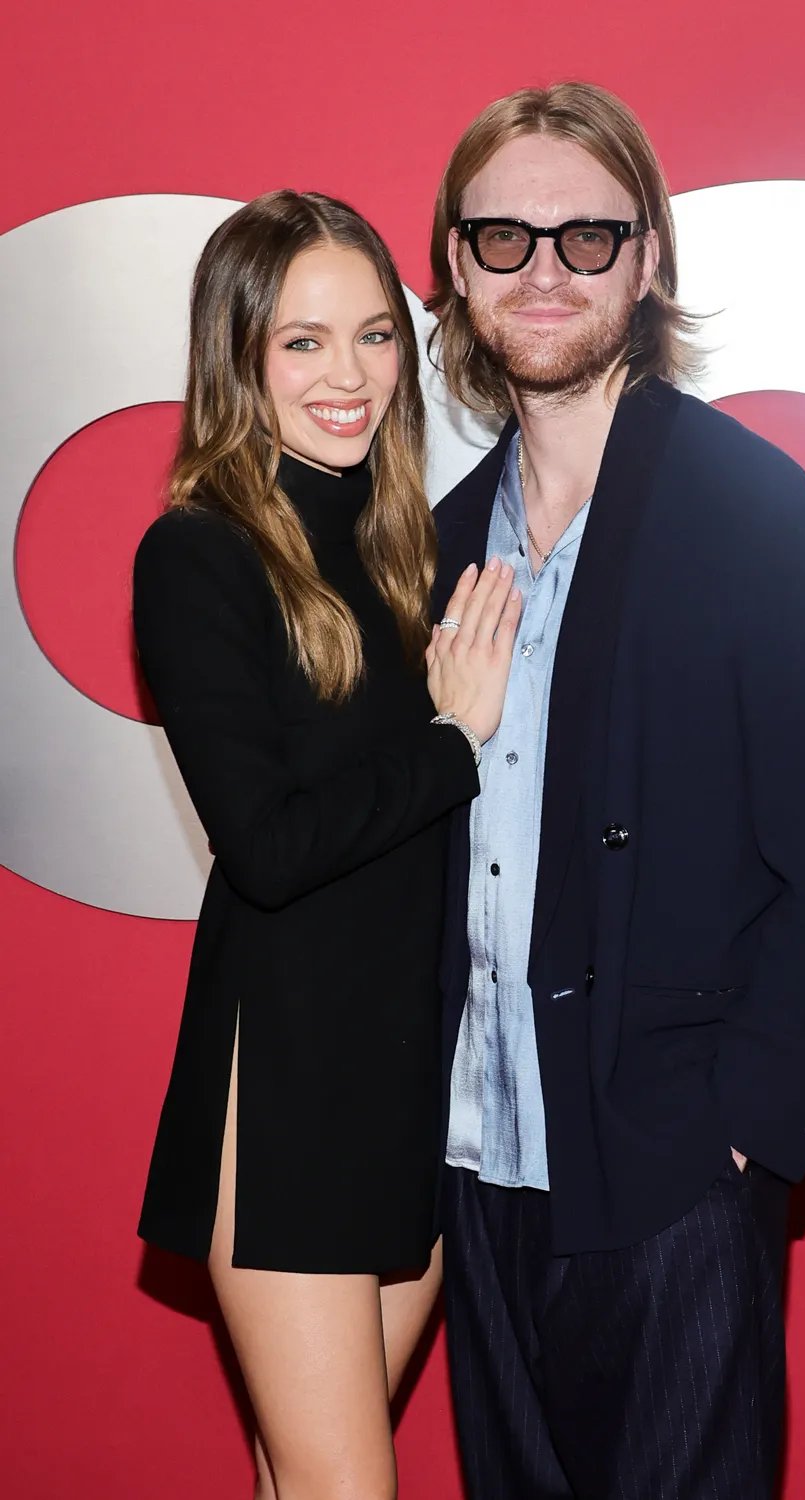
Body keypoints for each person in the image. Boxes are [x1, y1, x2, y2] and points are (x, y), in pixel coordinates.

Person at [427, 83, 805, 1499]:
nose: (547, 272)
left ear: (648, 261)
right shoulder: (440, 544)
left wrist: (744, 1138)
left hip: (674, 1168)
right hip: (476, 1160)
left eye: (589, 237)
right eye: (506, 239)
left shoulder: (760, 516)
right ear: (454, 265)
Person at [133, 189, 520, 1500]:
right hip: (291, 1079)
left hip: (414, 1073)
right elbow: (269, 848)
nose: (349, 377)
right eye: (303, 342)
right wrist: (452, 742)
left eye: (371, 336)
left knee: (307, 1481)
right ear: (237, 355)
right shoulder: (199, 555)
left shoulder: (408, 547)